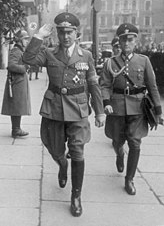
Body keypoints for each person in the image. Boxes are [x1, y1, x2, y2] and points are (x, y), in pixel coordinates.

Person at [23, 12, 105, 217]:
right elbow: (28, 58)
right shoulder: (50, 52)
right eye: (61, 32)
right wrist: (38, 36)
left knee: (78, 152)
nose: (65, 36)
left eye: (69, 32)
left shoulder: (86, 55)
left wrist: (100, 111)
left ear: (76, 33)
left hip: (78, 110)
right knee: (55, 149)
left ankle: (76, 196)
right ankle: (61, 164)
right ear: (57, 34)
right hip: (54, 109)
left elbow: (93, 83)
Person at [100, 23, 162, 195]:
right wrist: (106, 103)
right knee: (117, 141)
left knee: (135, 143)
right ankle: (119, 154)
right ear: (118, 42)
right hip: (117, 108)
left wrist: (158, 110)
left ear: (135, 41)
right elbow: (104, 85)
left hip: (138, 107)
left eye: (130, 39)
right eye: (123, 39)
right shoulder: (111, 62)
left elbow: (153, 86)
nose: (126, 43)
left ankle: (129, 179)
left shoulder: (144, 60)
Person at [1, 30, 31, 138]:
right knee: (17, 106)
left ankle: (16, 128)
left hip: (19, 81)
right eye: (25, 39)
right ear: (19, 40)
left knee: (18, 106)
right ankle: (16, 129)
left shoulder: (20, 50)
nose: (26, 41)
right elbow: (11, 65)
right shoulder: (16, 50)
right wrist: (24, 68)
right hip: (16, 82)